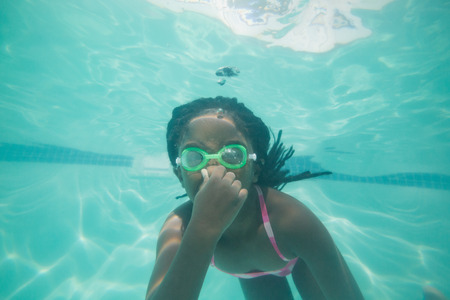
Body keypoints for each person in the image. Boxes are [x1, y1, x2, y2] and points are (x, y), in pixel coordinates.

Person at [146, 96, 363, 300]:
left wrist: (205, 225)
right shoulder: (180, 228)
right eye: (194, 157)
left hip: (293, 256)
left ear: (255, 168)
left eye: (232, 155)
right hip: (250, 273)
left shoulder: (292, 221)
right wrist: (203, 228)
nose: (213, 170)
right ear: (179, 174)